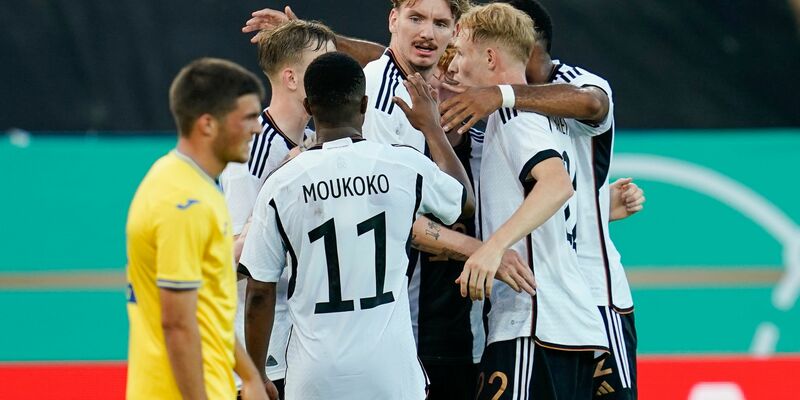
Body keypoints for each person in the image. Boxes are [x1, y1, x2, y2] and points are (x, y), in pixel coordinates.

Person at [239, 52, 473, 399]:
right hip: (390, 373)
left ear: (308, 105)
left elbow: (259, 291)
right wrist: (432, 128)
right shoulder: (402, 165)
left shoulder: (283, 182)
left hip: (315, 376)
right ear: (364, 104)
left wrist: (256, 376)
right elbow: (463, 203)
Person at [440, 1, 642, 397]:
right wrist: (599, 211)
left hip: (537, 318)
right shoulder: (544, 118)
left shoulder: (517, 111)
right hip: (564, 316)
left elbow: (557, 185)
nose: (454, 66)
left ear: (492, 55)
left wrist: (491, 249)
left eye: (461, 54)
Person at [125, 58, 268, 400]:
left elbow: (206, 306)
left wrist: (249, 376)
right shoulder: (184, 203)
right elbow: (177, 324)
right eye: (248, 117)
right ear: (207, 125)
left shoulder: (195, 184)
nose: (258, 128)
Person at [217, 20, 336, 399]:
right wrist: (279, 187)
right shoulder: (249, 152)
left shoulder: (313, 142)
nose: (333, 76)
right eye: (323, 66)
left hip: (306, 343)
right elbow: (231, 261)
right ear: (290, 77)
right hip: (263, 346)